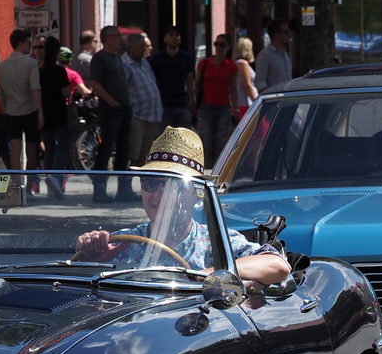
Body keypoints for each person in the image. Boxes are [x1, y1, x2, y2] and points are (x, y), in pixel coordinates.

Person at [73, 127, 291, 285]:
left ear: (197, 194)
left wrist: (208, 274)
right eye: (150, 182)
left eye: (173, 186)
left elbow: (277, 266)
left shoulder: (214, 245)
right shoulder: (123, 244)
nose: (159, 195)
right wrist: (91, 255)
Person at [89, 25, 132, 201]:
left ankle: (123, 190)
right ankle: (99, 192)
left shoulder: (118, 58)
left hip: (124, 107)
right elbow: (94, 82)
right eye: (117, 36)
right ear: (107, 38)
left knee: (124, 150)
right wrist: (110, 100)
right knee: (105, 149)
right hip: (110, 109)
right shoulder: (100, 58)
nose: (120, 39)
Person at [0, 28, 41, 170]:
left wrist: (5, 110)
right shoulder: (31, 63)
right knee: (32, 151)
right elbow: (35, 88)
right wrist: (41, 112)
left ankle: (16, 185)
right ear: (21, 43)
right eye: (28, 43)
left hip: (11, 112)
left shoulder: (2, 66)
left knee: (15, 152)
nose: (30, 46)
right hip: (30, 110)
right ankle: (29, 186)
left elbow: (0, 94)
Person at [121, 31, 165, 167]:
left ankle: (143, 186)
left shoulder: (144, 62)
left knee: (146, 156)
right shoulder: (124, 64)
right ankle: (129, 186)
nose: (144, 49)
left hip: (152, 115)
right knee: (134, 154)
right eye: (141, 46)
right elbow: (124, 89)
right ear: (130, 47)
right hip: (137, 116)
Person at [195, 33, 239, 164]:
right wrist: (193, 102)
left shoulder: (231, 66)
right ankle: (205, 168)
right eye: (216, 44)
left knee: (221, 143)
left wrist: (236, 109)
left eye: (222, 45)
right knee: (205, 142)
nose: (219, 48)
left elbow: (233, 89)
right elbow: (196, 84)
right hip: (205, 107)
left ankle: (218, 169)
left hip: (223, 108)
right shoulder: (204, 63)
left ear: (228, 47)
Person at [37, 34, 75, 181]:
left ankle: (49, 176)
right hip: (58, 112)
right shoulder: (59, 70)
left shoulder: (39, 70)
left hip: (44, 112)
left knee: (49, 148)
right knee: (63, 146)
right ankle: (55, 176)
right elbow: (66, 92)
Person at [147, 26, 195, 128]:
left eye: (177, 35)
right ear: (165, 39)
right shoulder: (157, 59)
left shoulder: (186, 57)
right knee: (164, 138)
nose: (174, 37)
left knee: (184, 137)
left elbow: (189, 79)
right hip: (163, 105)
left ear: (180, 39)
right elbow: (151, 81)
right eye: (171, 35)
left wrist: (193, 98)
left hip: (181, 104)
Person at [257, 19, 295, 92]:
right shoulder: (265, 55)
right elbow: (260, 83)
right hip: (275, 101)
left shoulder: (285, 55)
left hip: (289, 99)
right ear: (276, 34)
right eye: (286, 32)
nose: (289, 35)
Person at [230, 35, 259, 122]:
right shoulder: (243, 64)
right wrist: (256, 102)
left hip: (241, 103)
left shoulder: (236, 63)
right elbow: (247, 85)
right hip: (246, 104)